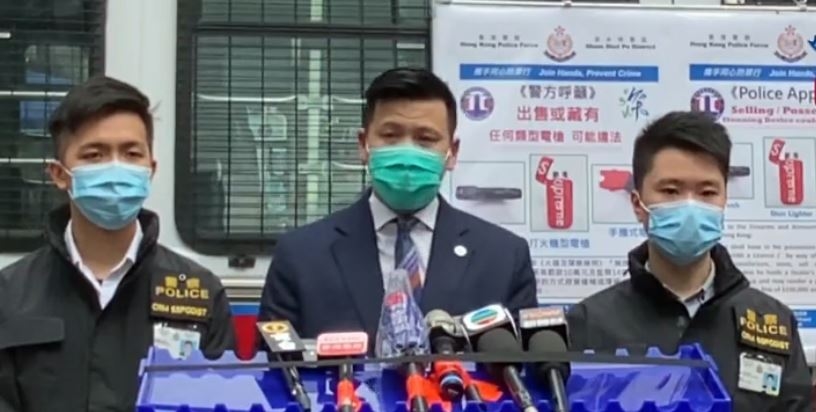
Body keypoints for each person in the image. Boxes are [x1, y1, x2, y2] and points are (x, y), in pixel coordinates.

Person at [0, 76, 235, 412]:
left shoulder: (201, 293)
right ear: (59, 174)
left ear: (150, 169)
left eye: (131, 153)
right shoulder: (9, 295)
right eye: (94, 155)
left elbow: (222, 401)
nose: (115, 168)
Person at [259, 67, 537, 340]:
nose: (407, 152)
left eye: (425, 139)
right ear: (363, 145)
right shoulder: (301, 256)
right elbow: (274, 363)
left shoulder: (504, 257)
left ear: (452, 153)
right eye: (391, 136)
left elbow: (526, 361)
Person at [567, 111, 812, 410]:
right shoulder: (588, 324)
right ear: (638, 204)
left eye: (707, 192)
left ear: (724, 201)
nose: (690, 205)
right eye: (671, 191)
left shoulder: (773, 322)